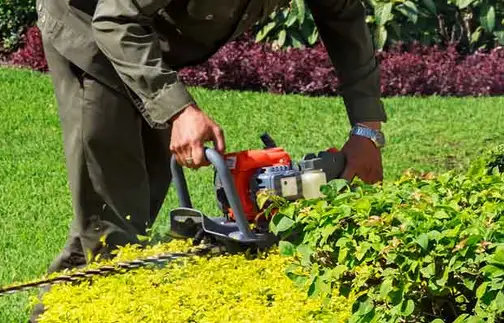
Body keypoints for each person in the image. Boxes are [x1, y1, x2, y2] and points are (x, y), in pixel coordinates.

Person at [30, 0, 387, 320]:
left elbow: (342, 15)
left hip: (141, 37)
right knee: (110, 219)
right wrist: (178, 111)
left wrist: (367, 130)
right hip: (88, 25)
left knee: (138, 203)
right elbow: (114, 20)